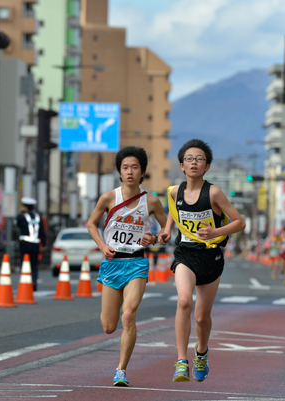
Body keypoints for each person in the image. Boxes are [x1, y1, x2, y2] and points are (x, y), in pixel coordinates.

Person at [158, 139, 245, 383]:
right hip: (186, 253)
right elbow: (172, 216)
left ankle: (202, 352)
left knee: (201, 317)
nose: (194, 162)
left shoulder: (214, 192)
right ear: (181, 165)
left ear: (207, 166)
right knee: (184, 301)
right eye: (189, 159)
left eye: (199, 159)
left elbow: (239, 222)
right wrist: (165, 232)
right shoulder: (175, 192)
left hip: (211, 256)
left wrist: (216, 232)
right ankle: (180, 362)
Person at [87, 146, 167, 387]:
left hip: (137, 264)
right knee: (109, 326)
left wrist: (153, 238)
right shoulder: (109, 198)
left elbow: (166, 232)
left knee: (129, 314)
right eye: (125, 168)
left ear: (142, 172)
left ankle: (121, 370)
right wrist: (102, 246)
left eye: (135, 167)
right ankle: (119, 361)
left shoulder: (151, 201)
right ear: (119, 172)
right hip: (112, 264)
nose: (130, 172)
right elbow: (91, 224)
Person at [16, 197, 46, 291]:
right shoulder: (38, 217)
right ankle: (33, 282)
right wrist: (44, 244)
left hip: (25, 244)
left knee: (24, 263)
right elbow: (42, 232)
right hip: (35, 244)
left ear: (25, 207)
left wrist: (20, 213)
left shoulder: (22, 217)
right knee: (34, 265)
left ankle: (25, 283)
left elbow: (16, 223)